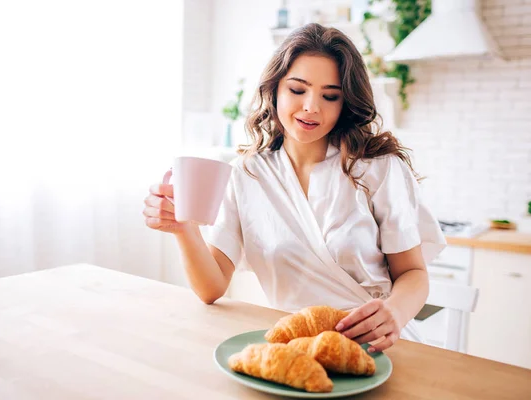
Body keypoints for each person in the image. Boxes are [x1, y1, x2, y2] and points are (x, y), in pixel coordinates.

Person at [143, 23, 446, 353]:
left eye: (330, 96)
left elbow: (414, 273)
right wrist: (182, 229)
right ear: (274, 90)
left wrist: (395, 312)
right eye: (298, 90)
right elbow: (211, 288)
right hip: (295, 347)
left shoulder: (376, 166)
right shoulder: (247, 174)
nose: (311, 107)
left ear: (345, 103)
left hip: (376, 344)